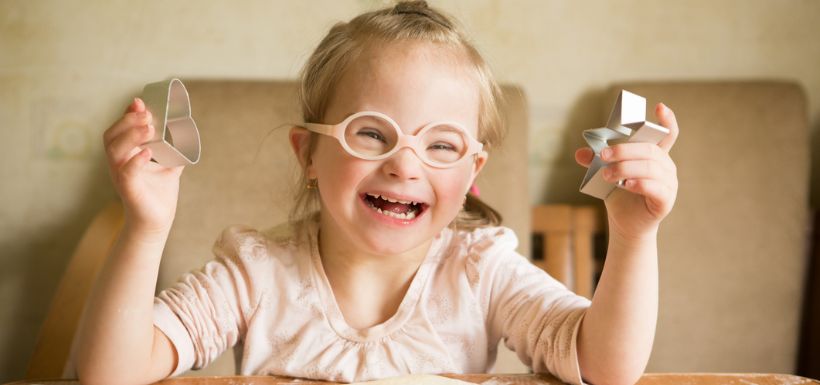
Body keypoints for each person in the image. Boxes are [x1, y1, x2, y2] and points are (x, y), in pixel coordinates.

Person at [76, 1, 680, 385]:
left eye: (441, 144)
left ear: (472, 172)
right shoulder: (255, 273)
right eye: (372, 133)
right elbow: (111, 373)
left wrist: (633, 236)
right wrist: (146, 228)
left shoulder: (481, 271)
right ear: (308, 153)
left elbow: (604, 369)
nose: (404, 164)